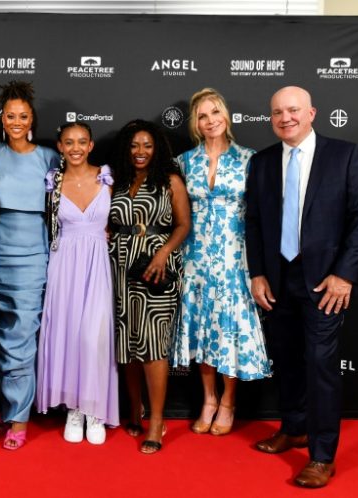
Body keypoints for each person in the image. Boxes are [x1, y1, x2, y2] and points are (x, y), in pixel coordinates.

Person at [246, 86, 358, 488]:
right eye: (278, 112)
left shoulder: (345, 154)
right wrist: (258, 273)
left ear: (312, 112)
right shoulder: (263, 161)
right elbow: (253, 221)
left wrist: (345, 274)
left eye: (294, 110)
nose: (286, 118)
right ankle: (294, 428)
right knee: (286, 360)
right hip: (278, 280)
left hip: (325, 282)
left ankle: (321, 455)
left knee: (320, 365)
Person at [171, 88, 271, 436]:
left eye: (215, 112)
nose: (210, 120)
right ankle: (208, 399)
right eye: (202, 115)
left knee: (228, 329)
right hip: (196, 258)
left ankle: (228, 402)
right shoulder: (185, 162)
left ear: (226, 117)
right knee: (202, 327)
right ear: (196, 124)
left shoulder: (249, 159)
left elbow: (260, 215)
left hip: (234, 258)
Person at [0, 80, 60, 450]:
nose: (16, 121)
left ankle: (19, 417)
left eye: (23, 116)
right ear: (2, 118)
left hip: (33, 256)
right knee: (2, 337)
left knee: (23, 338)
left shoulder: (48, 157)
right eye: (10, 115)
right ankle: (9, 407)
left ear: (32, 119)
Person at [109, 119, 190, 454]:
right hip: (119, 267)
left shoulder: (170, 180)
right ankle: (134, 409)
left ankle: (157, 421)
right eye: (134, 145)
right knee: (127, 344)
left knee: (153, 345)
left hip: (157, 269)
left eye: (147, 145)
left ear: (156, 148)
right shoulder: (117, 180)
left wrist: (162, 254)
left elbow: (184, 225)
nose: (140, 152)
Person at [35, 122, 119, 445]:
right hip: (64, 264)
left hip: (98, 263)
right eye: (68, 142)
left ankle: (95, 408)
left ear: (91, 145)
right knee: (69, 335)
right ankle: (75, 408)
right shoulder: (52, 182)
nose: (75, 148)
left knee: (93, 337)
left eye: (81, 142)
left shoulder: (106, 178)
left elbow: (119, 220)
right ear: (59, 146)